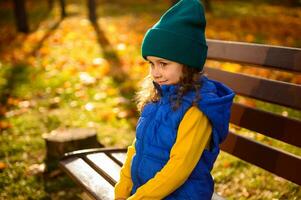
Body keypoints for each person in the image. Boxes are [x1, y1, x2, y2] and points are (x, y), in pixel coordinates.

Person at [114, 0, 235, 199]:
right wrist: (122, 190)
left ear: (187, 64)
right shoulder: (157, 98)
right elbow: (137, 146)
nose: (156, 73)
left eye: (163, 64)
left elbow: (179, 169)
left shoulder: (197, 108)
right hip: (148, 193)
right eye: (151, 64)